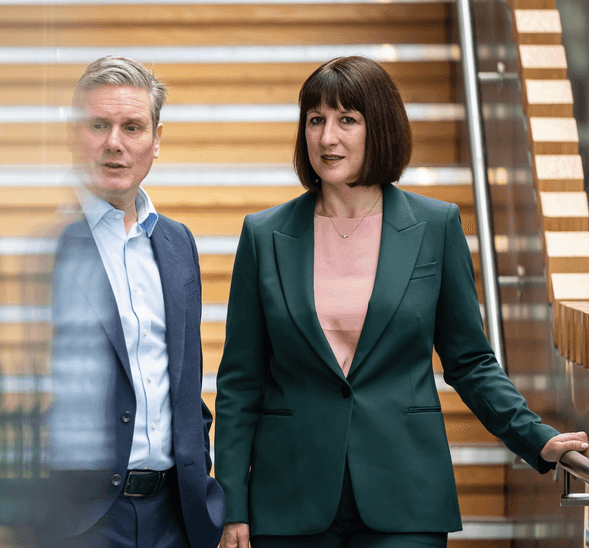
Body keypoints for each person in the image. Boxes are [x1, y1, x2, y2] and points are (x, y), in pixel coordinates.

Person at [214, 56, 589, 548]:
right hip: (289, 498)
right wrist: (232, 507)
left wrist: (535, 437)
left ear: (380, 127)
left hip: (405, 493)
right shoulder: (264, 235)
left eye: (347, 119)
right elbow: (240, 382)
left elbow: (470, 361)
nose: (328, 138)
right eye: (316, 120)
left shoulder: (435, 226)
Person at [41, 56, 224, 548]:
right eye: (98, 125)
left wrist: (205, 493)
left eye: (132, 126)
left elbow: (185, 384)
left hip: (176, 516)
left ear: (157, 140)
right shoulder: (48, 242)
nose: (114, 143)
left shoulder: (178, 243)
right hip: (84, 521)